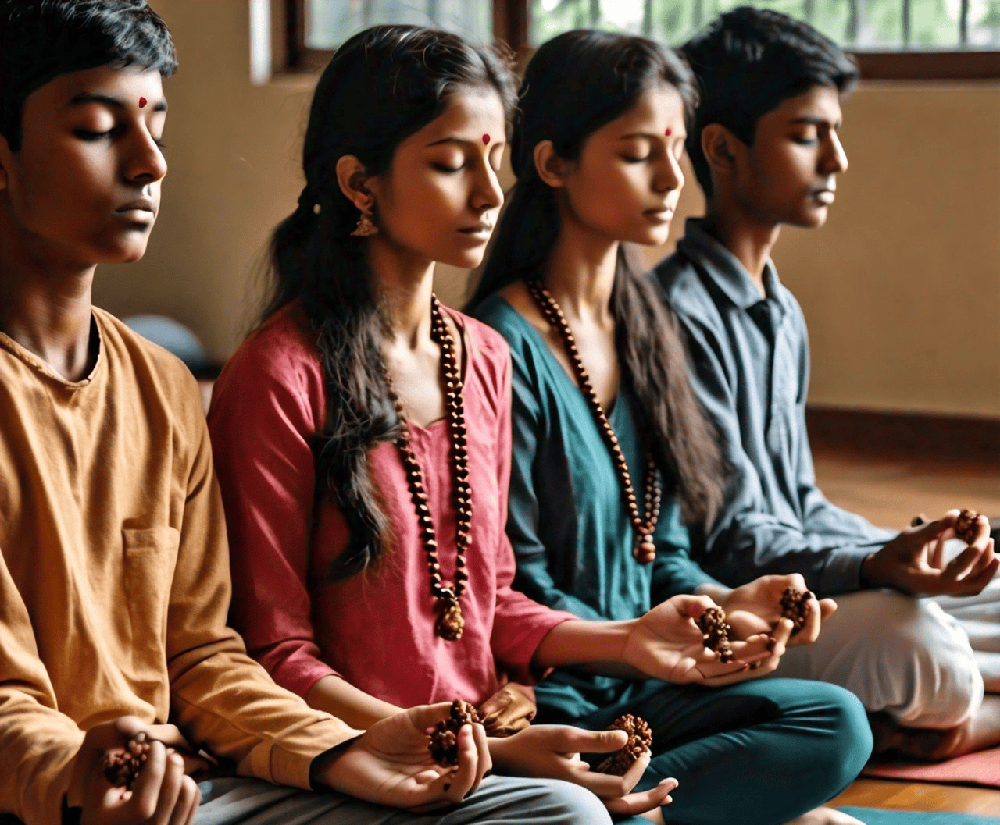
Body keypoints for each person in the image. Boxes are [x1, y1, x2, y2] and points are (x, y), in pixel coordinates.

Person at [0, 3, 610, 824]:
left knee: (556, 812)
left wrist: (344, 754)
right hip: (60, 802)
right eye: (97, 128)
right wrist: (75, 775)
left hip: (208, 782)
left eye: (156, 127)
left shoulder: (164, 387)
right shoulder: (276, 371)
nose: (150, 163)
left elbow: (206, 655)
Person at [208, 23, 797, 825]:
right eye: (452, 163)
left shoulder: (480, 355)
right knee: (573, 814)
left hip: (490, 735)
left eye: (494, 160)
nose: (490, 193)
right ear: (359, 183)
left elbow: (491, 597)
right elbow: (274, 652)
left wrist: (628, 637)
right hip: (358, 757)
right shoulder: (279, 374)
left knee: (823, 721)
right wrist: (421, 737)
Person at [466, 29, 872, 825]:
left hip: (653, 687)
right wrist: (630, 639)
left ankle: (647, 807)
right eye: (636, 153)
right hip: (557, 702)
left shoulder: (646, 322)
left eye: (677, 149)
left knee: (834, 720)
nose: (669, 178)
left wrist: (730, 601)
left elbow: (667, 549)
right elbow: (509, 589)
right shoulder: (501, 345)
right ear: (554, 164)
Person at [654, 5, 1000, 760]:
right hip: (746, 609)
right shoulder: (675, 318)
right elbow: (734, 540)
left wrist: (903, 547)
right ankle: (941, 715)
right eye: (808, 135)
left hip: (811, 578)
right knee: (922, 648)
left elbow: (798, 504)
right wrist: (876, 568)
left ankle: (942, 708)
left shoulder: (781, 310)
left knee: (975, 593)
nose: (837, 159)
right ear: (722, 148)